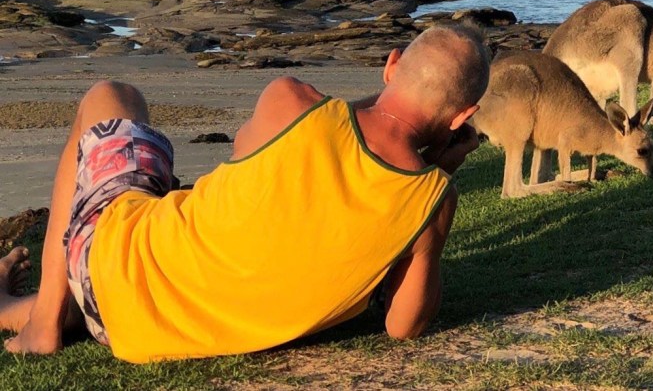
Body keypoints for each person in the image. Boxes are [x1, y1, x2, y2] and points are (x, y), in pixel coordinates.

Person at [0, 25, 490, 363]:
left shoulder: (291, 100)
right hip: (130, 322)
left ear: (391, 65)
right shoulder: (430, 202)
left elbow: (246, 151)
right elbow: (405, 326)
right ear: (462, 117)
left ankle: (44, 324)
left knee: (110, 97)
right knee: (135, 270)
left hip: (116, 264)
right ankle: (12, 309)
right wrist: (432, 185)